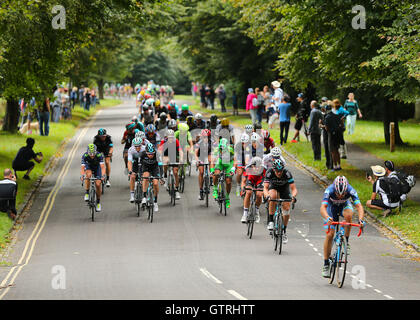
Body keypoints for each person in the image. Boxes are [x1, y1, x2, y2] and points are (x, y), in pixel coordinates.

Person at [320, 176, 365, 278]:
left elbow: (359, 206)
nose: (340, 196)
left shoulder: (351, 190)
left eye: (343, 194)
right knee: (330, 234)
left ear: (346, 190)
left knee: (349, 215)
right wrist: (327, 217)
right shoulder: (329, 190)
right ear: (334, 190)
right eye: (338, 194)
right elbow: (323, 207)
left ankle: (346, 241)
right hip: (331, 209)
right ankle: (326, 264)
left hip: (344, 206)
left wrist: (361, 220)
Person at [263, 159, 298, 244]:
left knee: (287, 208)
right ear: (274, 169)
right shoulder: (270, 172)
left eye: (280, 171)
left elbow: (294, 189)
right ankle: (271, 221)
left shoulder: (287, 173)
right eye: (277, 171)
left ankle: (284, 231)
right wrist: (267, 196)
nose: (279, 173)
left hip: (284, 190)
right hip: (273, 188)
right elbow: (265, 188)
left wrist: (293, 197)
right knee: (272, 197)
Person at [138, 143, 164, 212]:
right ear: (146, 152)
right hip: (146, 167)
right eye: (149, 154)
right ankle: (144, 196)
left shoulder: (157, 154)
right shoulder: (142, 154)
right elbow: (140, 166)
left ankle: (155, 202)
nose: (151, 155)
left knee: (155, 183)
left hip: (155, 168)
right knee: (145, 177)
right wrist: (140, 176)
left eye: (152, 154)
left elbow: (161, 167)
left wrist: (161, 177)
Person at [80, 144, 106, 212]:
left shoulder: (99, 155)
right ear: (87, 152)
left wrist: (103, 175)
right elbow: (82, 168)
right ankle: (87, 192)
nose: (92, 155)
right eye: (90, 153)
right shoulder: (84, 156)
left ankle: (98, 202)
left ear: (96, 151)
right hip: (89, 167)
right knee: (88, 175)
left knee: (97, 184)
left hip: (97, 168)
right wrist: (82, 176)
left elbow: (102, 167)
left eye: (93, 153)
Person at [159, 129, 183, 201]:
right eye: (169, 137)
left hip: (174, 155)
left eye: (172, 137)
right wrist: (160, 157)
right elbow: (160, 150)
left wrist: (181, 159)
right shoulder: (163, 141)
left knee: (175, 172)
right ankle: (165, 176)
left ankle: (176, 190)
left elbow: (180, 151)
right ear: (166, 137)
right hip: (166, 155)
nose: (170, 139)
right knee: (165, 162)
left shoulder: (176, 141)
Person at [211, 138, 235, 208]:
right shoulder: (217, 150)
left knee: (228, 181)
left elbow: (235, 160)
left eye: (223, 149)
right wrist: (212, 170)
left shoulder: (230, 149)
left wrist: (233, 169)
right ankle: (215, 189)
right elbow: (212, 161)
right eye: (221, 149)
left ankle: (227, 198)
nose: (222, 151)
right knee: (216, 174)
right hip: (220, 162)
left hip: (229, 163)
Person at [241, 157, 266, 224]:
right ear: (252, 166)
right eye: (255, 166)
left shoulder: (264, 170)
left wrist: (265, 190)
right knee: (248, 192)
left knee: (259, 195)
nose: (257, 168)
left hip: (260, 180)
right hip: (250, 179)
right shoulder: (248, 169)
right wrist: (243, 189)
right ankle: (245, 214)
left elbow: (267, 182)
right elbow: (243, 181)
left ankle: (257, 211)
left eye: (258, 166)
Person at [324, 102, 344, 171]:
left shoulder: (327, 117)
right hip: (338, 135)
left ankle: (335, 166)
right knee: (337, 151)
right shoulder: (337, 115)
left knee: (332, 151)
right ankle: (339, 165)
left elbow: (326, 128)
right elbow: (341, 123)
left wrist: (321, 125)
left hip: (331, 135)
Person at [194, 129, 213, 200]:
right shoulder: (199, 143)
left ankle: (211, 174)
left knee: (211, 159)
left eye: (207, 137)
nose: (206, 139)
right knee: (201, 172)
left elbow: (215, 152)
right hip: (201, 156)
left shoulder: (212, 142)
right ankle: (201, 190)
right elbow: (196, 153)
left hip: (208, 155)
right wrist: (197, 160)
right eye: (204, 137)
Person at [127, 137, 145, 203]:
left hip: (143, 163)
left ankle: (145, 195)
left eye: (139, 146)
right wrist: (130, 171)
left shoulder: (144, 148)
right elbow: (129, 162)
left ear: (141, 144)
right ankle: (132, 195)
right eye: (136, 146)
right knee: (132, 177)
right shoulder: (131, 149)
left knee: (144, 178)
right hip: (135, 162)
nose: (137, 148)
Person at [319, 97, 332, 169]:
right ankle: (328, 164)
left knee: (330, 148)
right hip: (325, 133)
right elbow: (320, 124)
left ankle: (331, 164)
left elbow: (326, 126)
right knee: (326, 148)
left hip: (329, 133)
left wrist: (323, 126)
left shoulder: (329, 115)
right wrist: (322, 125)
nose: (321, 109)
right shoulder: (323, 115)